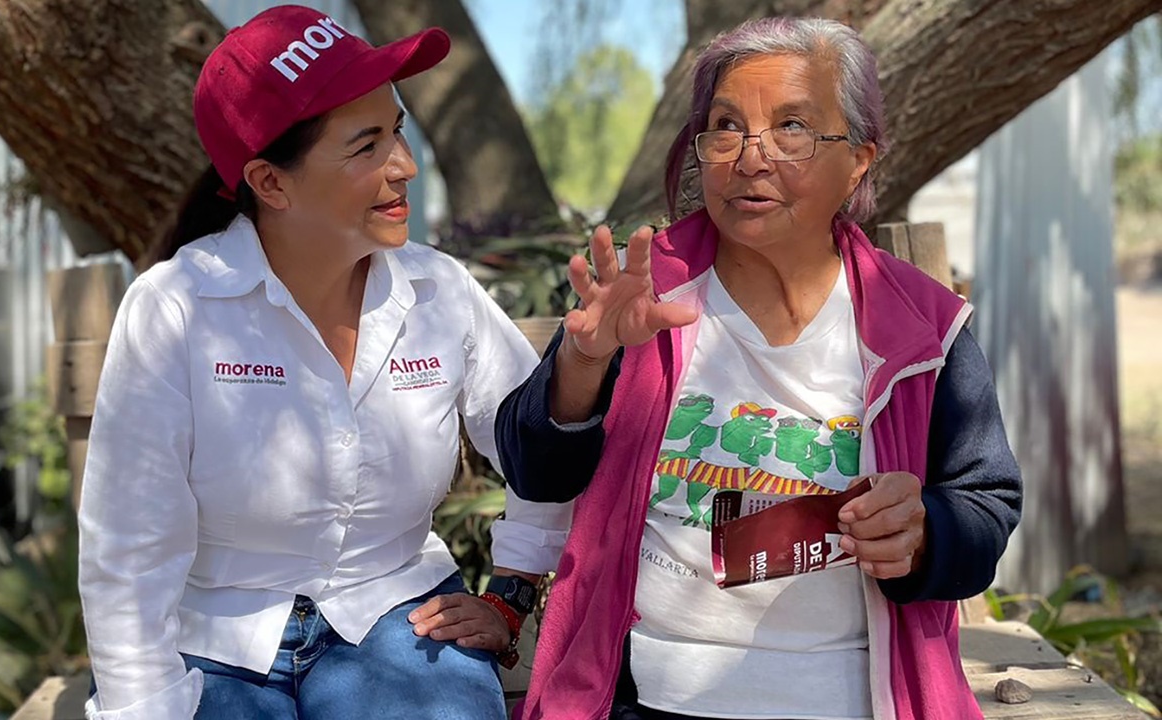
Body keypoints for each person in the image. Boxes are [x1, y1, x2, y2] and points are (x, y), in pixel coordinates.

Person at [496, 16, 1022, 720]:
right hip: (645, 697)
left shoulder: (923, 329)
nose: (750, 157)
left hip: (858, 699)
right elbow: (538, 475)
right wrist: (583, 359)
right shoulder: (648, 295)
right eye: (725, 127)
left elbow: (986, 502)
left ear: (859, 159)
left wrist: (926, 528)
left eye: (792, 128)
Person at [77, 6, 570, 719]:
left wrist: (512, 596)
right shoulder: (177, 307)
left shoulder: (439, 292)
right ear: (271, 183)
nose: (405, 166)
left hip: (399, 614)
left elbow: (536, 443)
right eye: (366, 145)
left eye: (397, 130)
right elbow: (129, 545)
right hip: (208, 637)